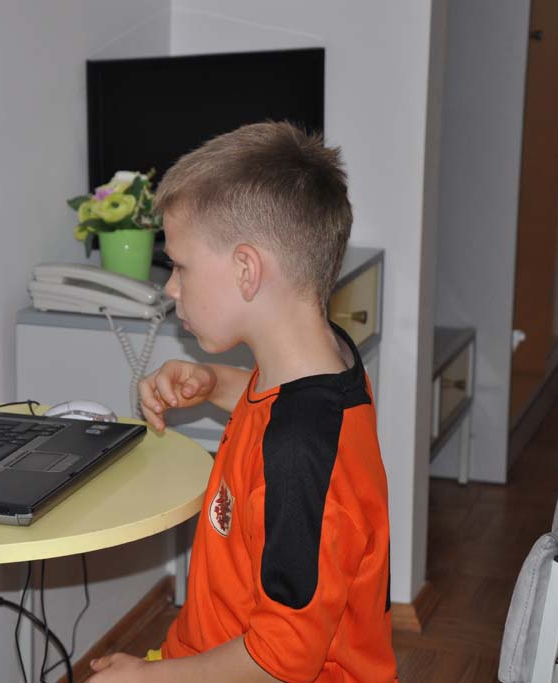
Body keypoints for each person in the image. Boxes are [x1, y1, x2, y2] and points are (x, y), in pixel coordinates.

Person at [88, 122, 397, 683]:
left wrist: (148, 679)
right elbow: (280, 406)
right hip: (209, 654)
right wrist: (213, 382)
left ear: (246, 270)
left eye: (180, 266)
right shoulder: (325, 363)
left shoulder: (300, 454)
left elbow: (284, 659)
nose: (171, 288)